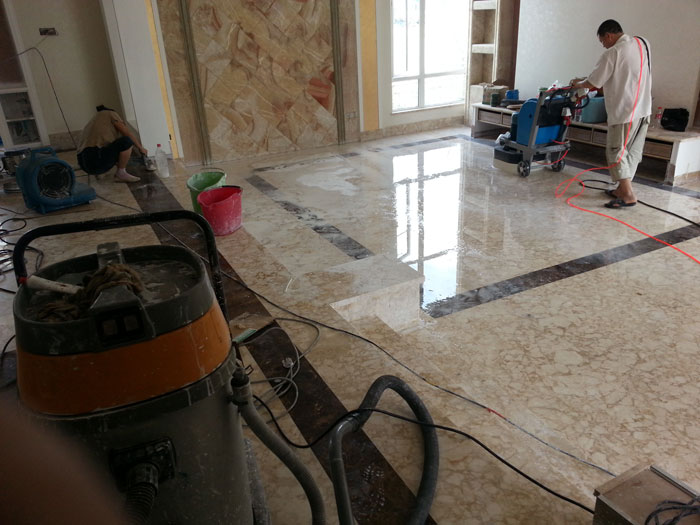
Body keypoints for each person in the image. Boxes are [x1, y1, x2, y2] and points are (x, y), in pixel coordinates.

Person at [571, 19, 652, 209]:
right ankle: (622, 189)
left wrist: (578, 84)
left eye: (602, 41)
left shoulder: (613, 52)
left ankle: (628, 195)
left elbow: (594, 82)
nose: (604, 45)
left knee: (616, 151)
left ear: (608, 36)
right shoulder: (642, 43)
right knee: (632, 151)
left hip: (625, 112)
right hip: (644, 108)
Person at [77, 105, 147, 183]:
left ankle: (100, 172)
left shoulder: (95, 120)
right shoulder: (111, 114)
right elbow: (127, 133)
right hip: (96, 161)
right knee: (127, 141)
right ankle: (121, 173)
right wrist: (140, 148)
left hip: (83, 163)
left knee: (113, 147)